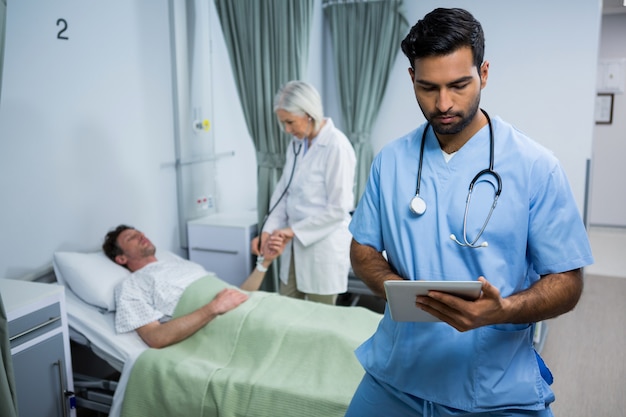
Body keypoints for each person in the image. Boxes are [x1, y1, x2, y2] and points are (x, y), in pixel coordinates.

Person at [346, 7, 594, 417]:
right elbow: (363, 250)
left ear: (484, 73)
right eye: (428, 87)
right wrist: (402, 292)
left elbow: (567, 281)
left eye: (459, 85)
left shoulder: (535, 166)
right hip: (396, 376)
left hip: (493, 387)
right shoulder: (389, 162)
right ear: (412, 79)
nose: (444, 103)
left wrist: (504, 310)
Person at [251, 80, 357, 305]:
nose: (287, 130)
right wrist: (268, 231)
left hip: (321, 246)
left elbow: (339, 209)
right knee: (286, 307)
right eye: (283, 124)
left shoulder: (336, 146)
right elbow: (284, 192)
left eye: (290, 122)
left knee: (319, 318)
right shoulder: (296, 144)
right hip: (292, 247)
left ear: (309, 114)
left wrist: (291, 231)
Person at [102, 224, 288, 348]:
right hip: (226, 323)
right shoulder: (131, 285)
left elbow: (237, 296)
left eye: (140, 232)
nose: (141, 235)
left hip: (251, 308)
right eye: (131, 238)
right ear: (121, 258)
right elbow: (155, 338)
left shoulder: (182, 265)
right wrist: (212, 308)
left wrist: (265, 263)